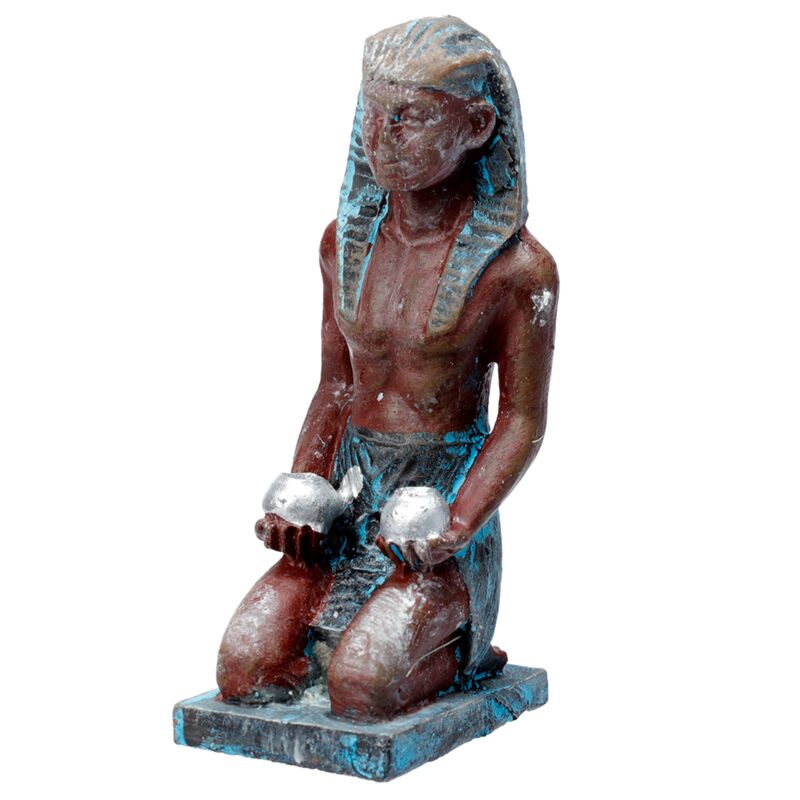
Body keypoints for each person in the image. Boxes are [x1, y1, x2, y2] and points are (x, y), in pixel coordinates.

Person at [216, 16, 558, 722]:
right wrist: (304, 495)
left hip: (439, 509)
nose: (383, 135)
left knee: (362, 689)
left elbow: (521, 421)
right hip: (350, 497)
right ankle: (356, 633)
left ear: (476, 125)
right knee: (244, 669)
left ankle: (455, 645)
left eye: (411, 117)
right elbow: (336, 385)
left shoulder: (518, 271)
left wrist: (455, 527)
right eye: (373, 113)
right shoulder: (342, 245)